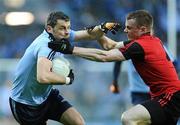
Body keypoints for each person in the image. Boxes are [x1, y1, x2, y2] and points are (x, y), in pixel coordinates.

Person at [49, 10, 180, 125]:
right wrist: (99, 31)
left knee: (129, 118)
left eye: (129, 28)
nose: (125, 30)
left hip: (169, 98)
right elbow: (109, 46)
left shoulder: (139, 46)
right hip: (165, 97)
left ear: (143, 29)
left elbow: (104, 56)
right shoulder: (149, 41)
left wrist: (70, 49)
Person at [9, 11, 121, 125]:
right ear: (49, 29)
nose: (67, 32)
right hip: (25, 104)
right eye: (62, 28)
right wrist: (67, 79)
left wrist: (102, 27)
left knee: (78, 122)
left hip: (46, 96)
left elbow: (90, 35)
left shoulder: (59, 35)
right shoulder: (45, 46)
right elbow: (42, 77)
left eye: (68, 27)